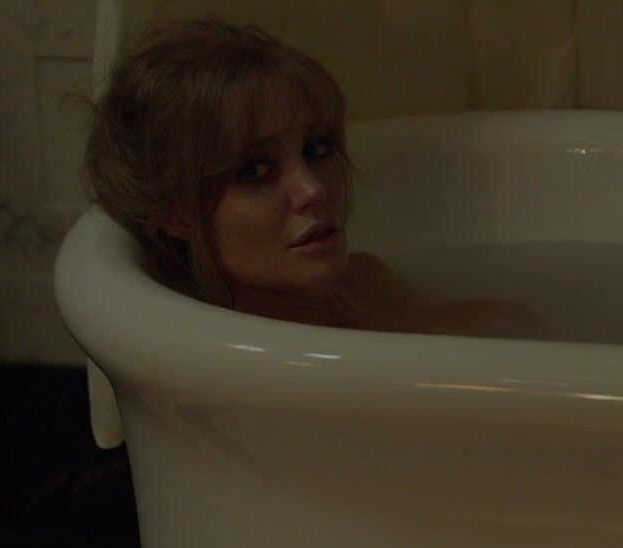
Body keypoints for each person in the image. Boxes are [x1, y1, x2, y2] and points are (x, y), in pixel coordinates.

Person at [83, 18, 542, 340]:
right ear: (177, 215)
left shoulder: (366, 278)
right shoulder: (241, 371)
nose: (314, 190)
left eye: (316, 150)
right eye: (254, 172)